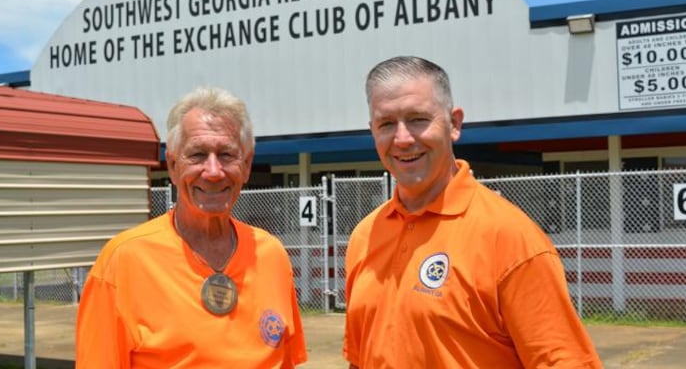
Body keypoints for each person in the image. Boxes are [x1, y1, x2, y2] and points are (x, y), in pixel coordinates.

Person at [343, 56, 601, 368]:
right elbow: (361, 359)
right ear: (372, 131)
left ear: (454, 124)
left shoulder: (510, 238)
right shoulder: (364, 236)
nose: (403, 139)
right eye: (386, 124)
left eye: (418, 119)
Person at [76, 86, 307, 368]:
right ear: (172, 166)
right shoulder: (122, 261)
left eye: (226, 155)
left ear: (246, 166)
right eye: (197, 154)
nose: (213, 171)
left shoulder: (272, 255)